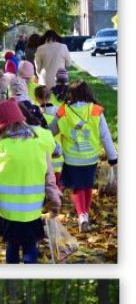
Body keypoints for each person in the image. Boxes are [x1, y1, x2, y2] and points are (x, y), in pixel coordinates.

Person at [0, 99, 61, 264]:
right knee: (30, 246)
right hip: (32, 210)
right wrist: (55, 202)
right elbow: (50, 180)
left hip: (7, 213)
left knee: (12, 247)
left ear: (1, 125)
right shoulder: (40, 145)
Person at [50, 82, 118, 231]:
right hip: (90, 158)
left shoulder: (63, 112)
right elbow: (105, 136)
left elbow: (50, 132)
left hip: (72, 159)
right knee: (87, 185)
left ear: (71, 95)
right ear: (88, 93)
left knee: (77, 187)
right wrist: (112, 157)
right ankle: (84, 214)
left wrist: (50, 146)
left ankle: (82, 215)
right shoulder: (95, 111)